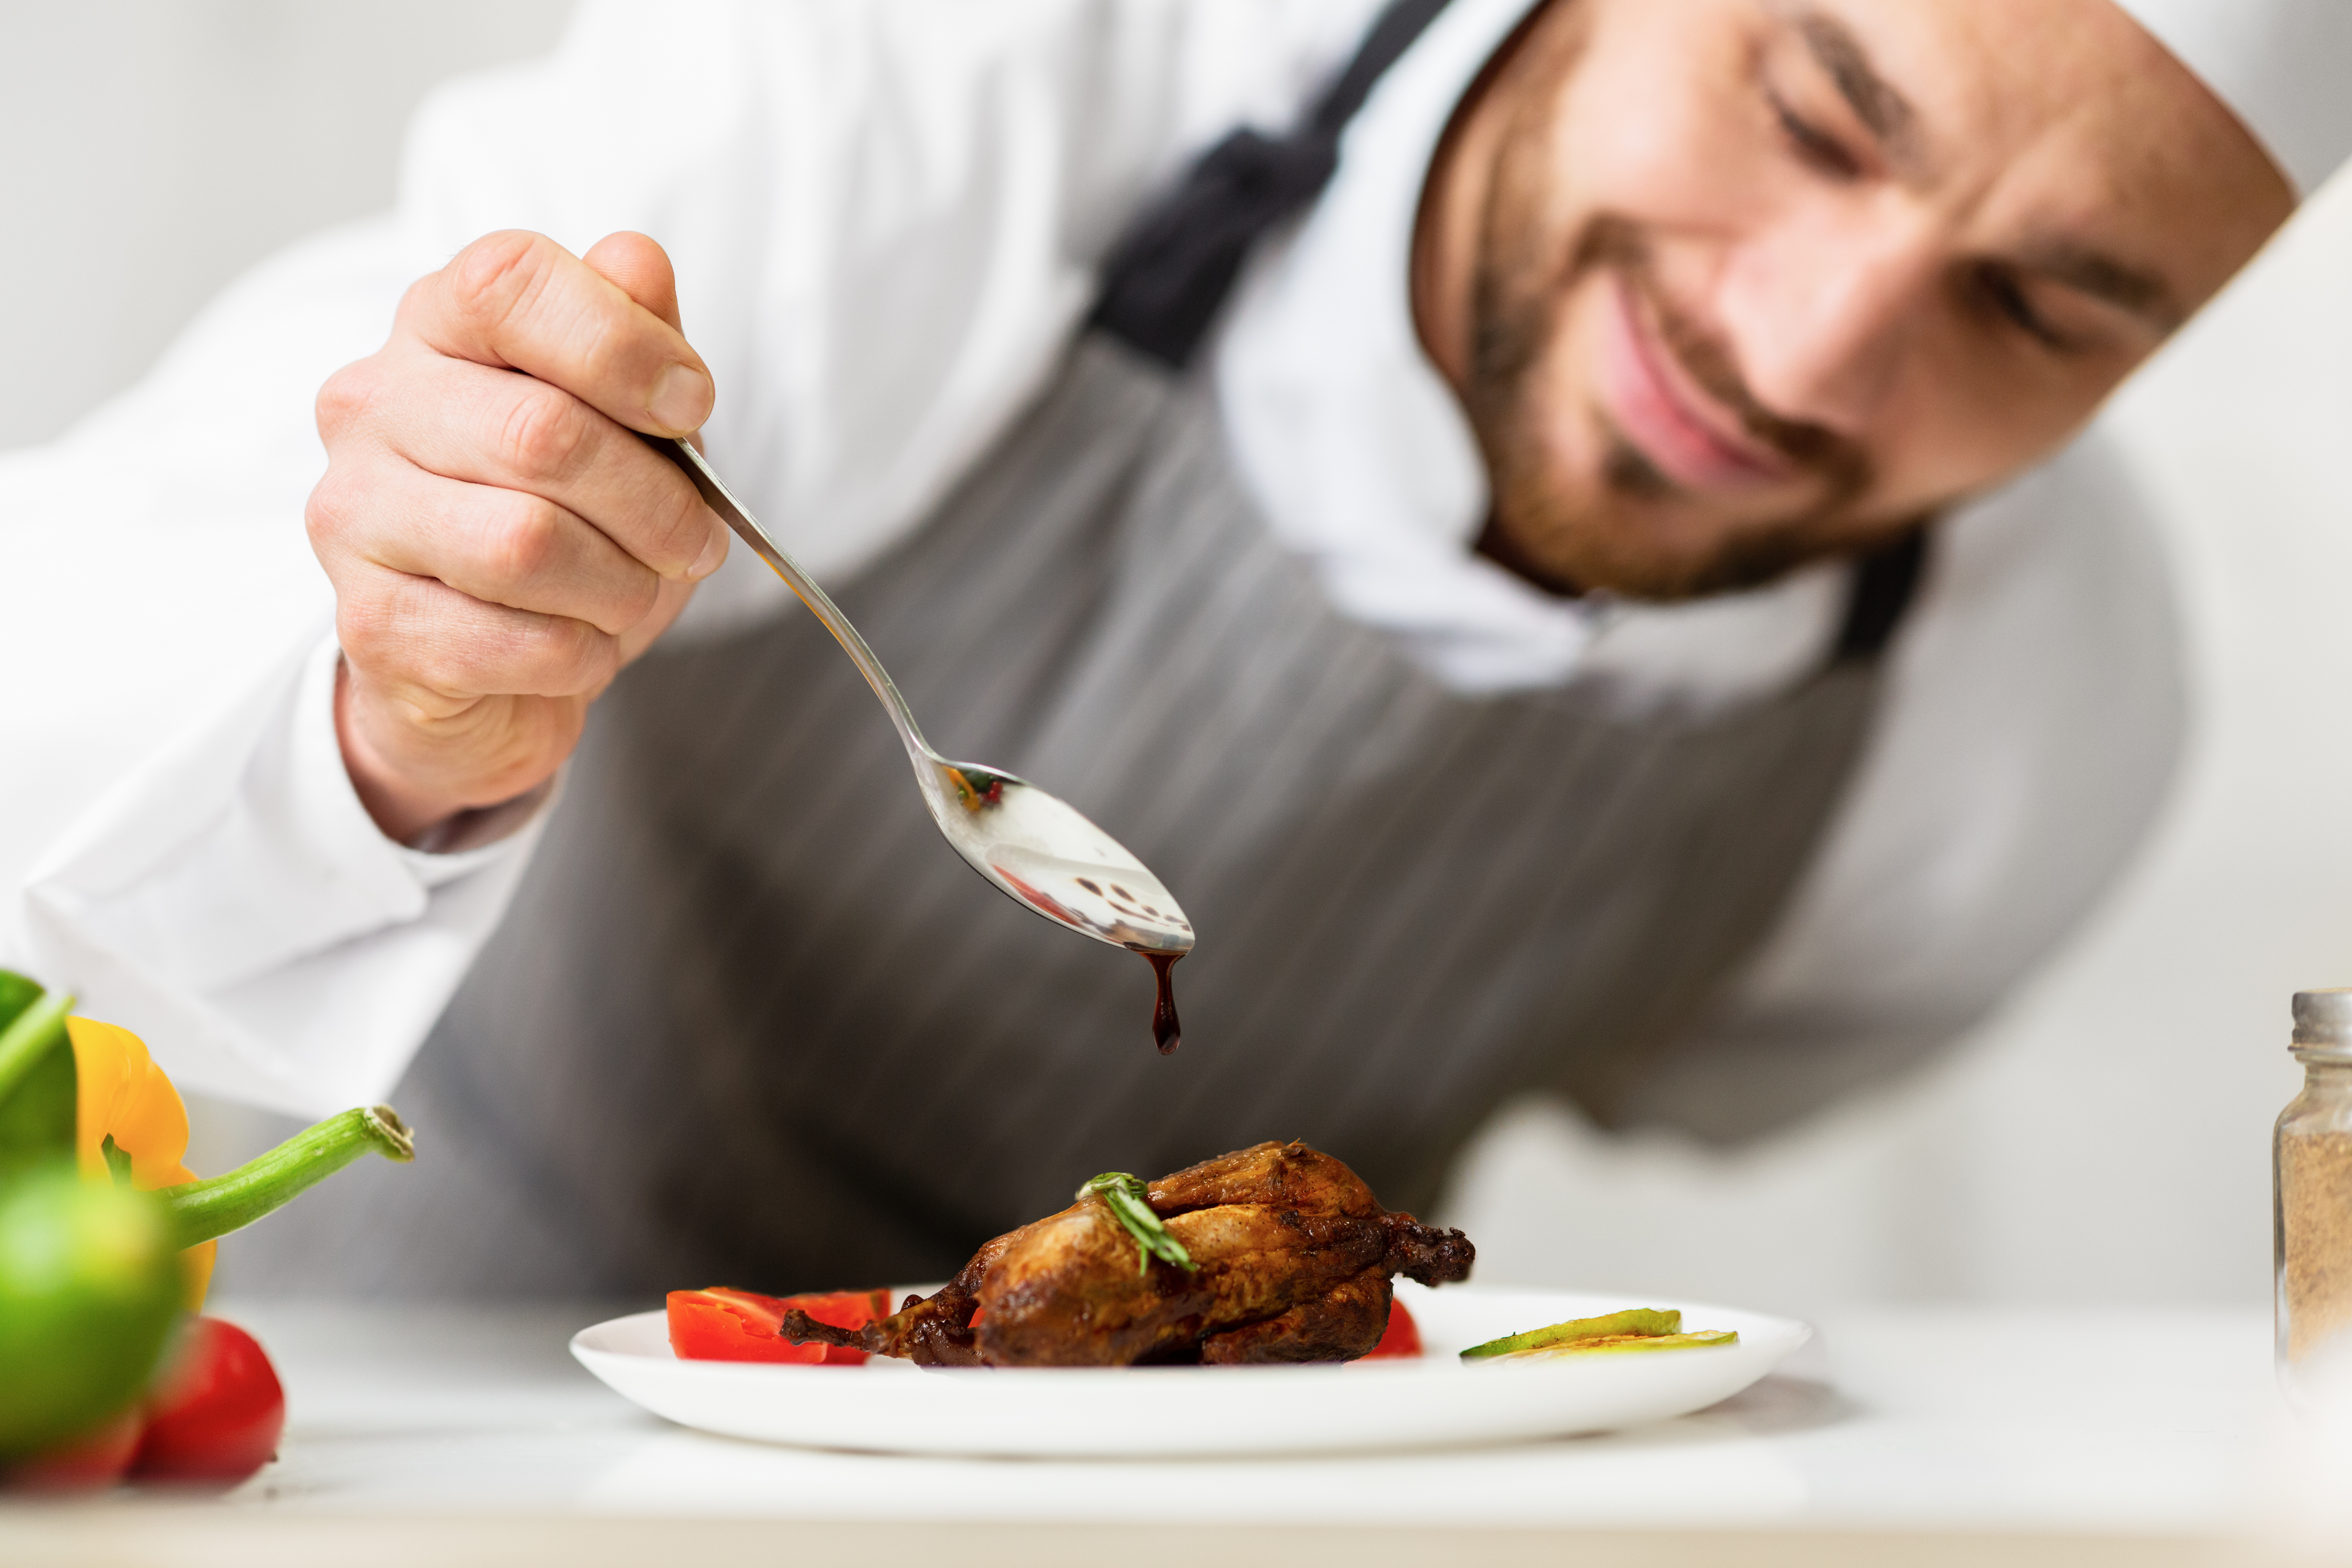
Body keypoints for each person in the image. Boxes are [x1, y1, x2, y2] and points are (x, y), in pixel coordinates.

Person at [1, 0, 2344, 1294]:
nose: (1807, 354)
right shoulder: (954, 90)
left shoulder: (2033, 722)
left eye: (2046, 307)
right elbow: (68, 666)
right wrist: (401, 696)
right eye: (1819, 106)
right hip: (430, 1438)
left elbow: (1732, 1070)